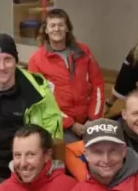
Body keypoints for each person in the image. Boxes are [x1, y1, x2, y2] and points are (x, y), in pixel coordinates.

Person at [0, 33, 63, 189]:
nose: (1, 67)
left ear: (16, 61)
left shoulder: (38, 94)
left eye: (7, 59)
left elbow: (53, 139)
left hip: (26, 176)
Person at [27, 8, 105, 142]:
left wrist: (93, 119)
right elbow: (41, 101)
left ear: (67, 28)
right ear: (46, 30)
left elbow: (97, 85)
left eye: (61, 25)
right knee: (77, 155)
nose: (57, 29)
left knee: (105, 148)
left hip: (89, 121)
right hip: (59, 124)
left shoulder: (84, 51)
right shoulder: (36, 60)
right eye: (52, 25)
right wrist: (71, 124)